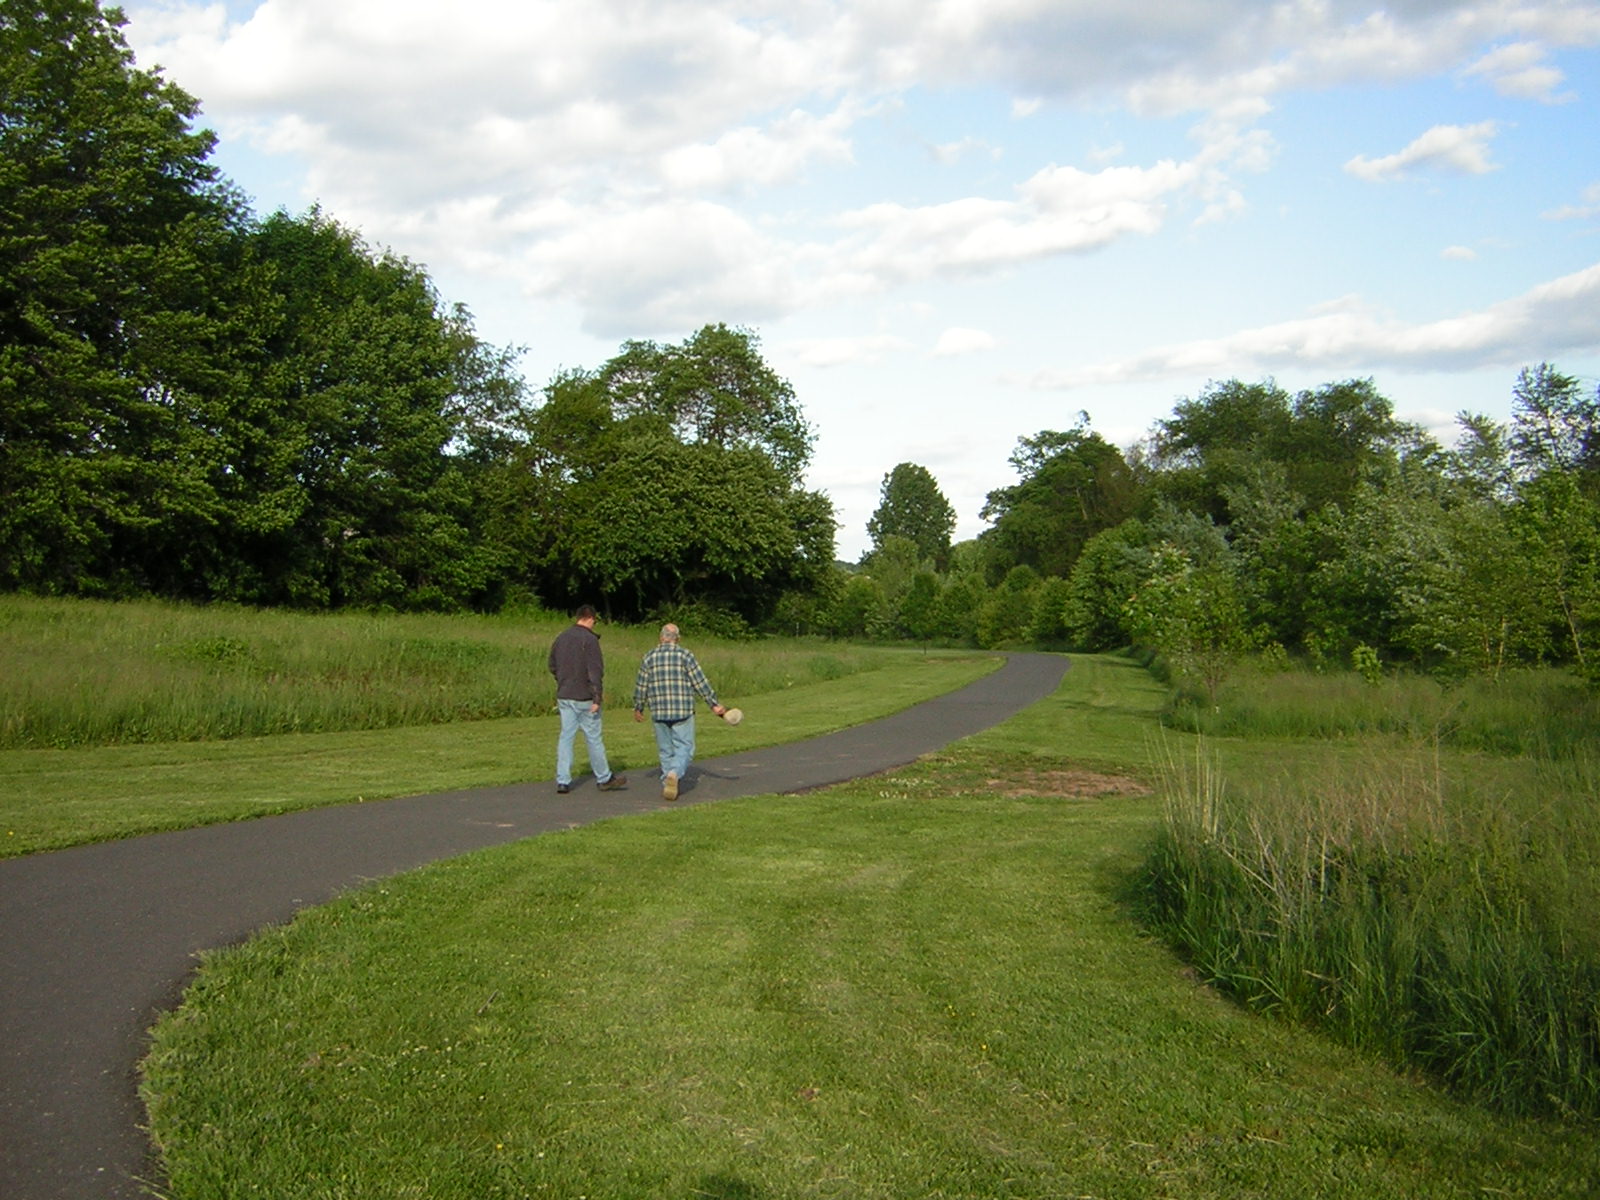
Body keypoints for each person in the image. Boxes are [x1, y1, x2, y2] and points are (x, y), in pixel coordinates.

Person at [632, 622, 727, 801]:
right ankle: (674, 773)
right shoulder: (685, 655)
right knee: (685, 746)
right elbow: (700, 682)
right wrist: (713, 704)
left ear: (661, 638)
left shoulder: (649, 657)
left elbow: (641, 685)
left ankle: (667, 780)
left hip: (659, 710)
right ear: (678, 639)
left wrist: (638, 707)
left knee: (665, 750)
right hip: (682, 709)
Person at [547, 604, 626, 795]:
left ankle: (563, 780)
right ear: (590, 618)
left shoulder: (561, 637)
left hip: (564, 694)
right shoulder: (590, 640)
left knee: (566, 737)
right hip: (584, 696)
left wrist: (562, 681)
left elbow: (552, 665)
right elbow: (595, 671)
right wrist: (597, 697)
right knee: (593, 738)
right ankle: (604, 777)